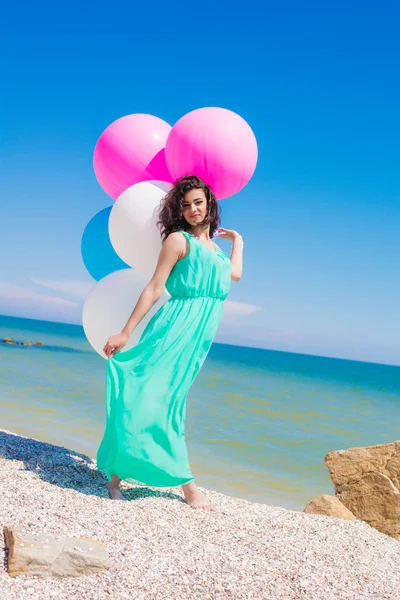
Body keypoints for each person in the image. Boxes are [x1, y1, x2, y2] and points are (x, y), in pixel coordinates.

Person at [97, 175, 244, 511]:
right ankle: (186, 487)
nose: (193, 209)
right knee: (149, 396)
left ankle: (119, 476)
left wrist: (239, 242)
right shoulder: (178, 241)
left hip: (197, 338)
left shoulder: (217, 252)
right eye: (186, 204)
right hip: (172, 329)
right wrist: (125, 332)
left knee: (171, 402)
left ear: (210, 205)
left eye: (199, 203)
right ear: (180, 209)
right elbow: (153, 288)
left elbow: (234, 275)